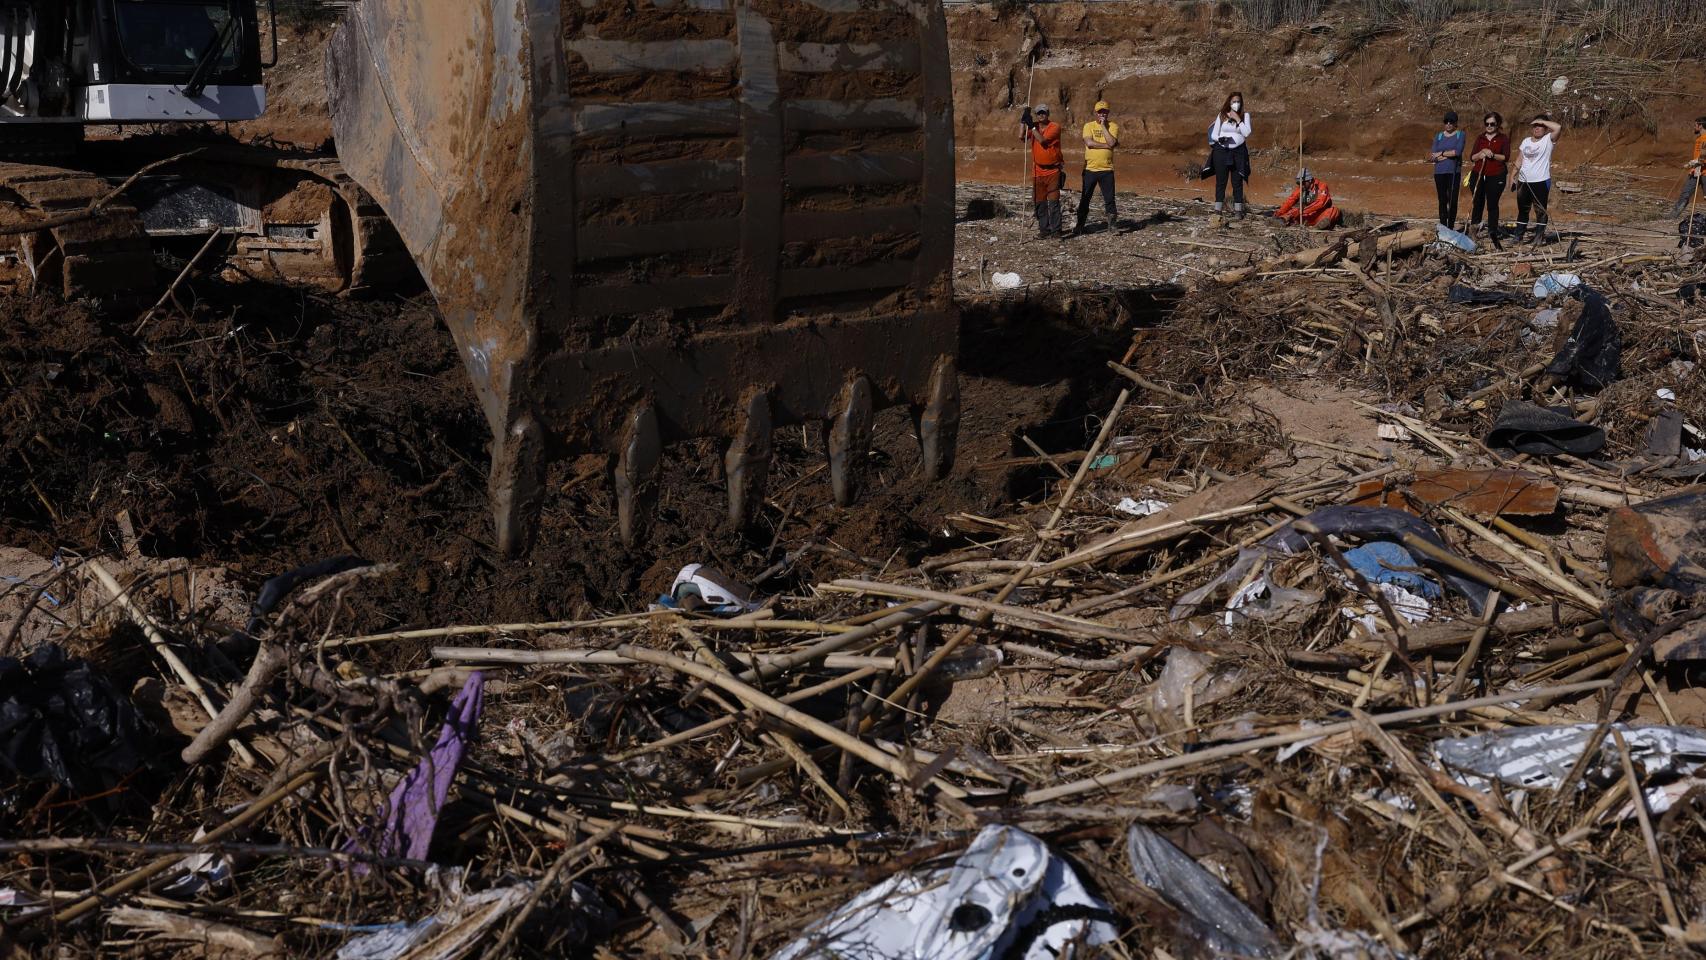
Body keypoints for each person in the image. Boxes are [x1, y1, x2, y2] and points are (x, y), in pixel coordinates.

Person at [1513, 115, 1562, 244]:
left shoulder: (1548, 139)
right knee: (1523, 210)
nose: (1537, 128)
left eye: (1540, 126)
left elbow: (1558, 127)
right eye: (1535, 126)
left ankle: (1538, 237)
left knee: (1540, 210)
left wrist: (1541, 121)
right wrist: (1513, 174)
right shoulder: (1526, 141)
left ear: (1545, 128)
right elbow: (1519, 159)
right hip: (1523, 181)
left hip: (1541, 180)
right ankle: (1518, 236)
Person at [1074, 100, 1120, 233]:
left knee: (1110, 199)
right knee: (1085, 198)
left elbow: (1112, 141)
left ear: (1108, 112)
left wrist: (1103, 127)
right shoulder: (1088, 126)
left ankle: (1112, 226)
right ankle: (1080, 225)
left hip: (1107, 170)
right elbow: (1089, 143)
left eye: (1105, 111)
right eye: (1100, 111)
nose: (1102, 114)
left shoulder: (1113, 126)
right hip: (1090, 170)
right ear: (1095, 112)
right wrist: (1107, 145)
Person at [1021, 104, 1065, 239]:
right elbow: (1021, 137)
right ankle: (1044, 230)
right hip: (1037, 171)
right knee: (1039, 202)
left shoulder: (1055, 127)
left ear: (1048, 113)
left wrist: (1032, 126)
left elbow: (1042, 140)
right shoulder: (1033, 125)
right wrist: (1022, 121)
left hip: (1053, 171)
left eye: (1043, 113)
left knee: (1053, 203)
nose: (1041, 115)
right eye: (1038, 113)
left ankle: (1056, 231)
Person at [1466, 112, 1510, 246]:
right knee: (1477, 202)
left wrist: (1492, 154)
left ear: (1497, 125)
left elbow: (1505, 157)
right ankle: (1474, 230)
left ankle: (1492, 231)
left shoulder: (1503, 138)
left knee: (1492, 203)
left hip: (1496, 174)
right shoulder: (1480, 138)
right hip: (1478, 174)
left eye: (1492, 124)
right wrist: (1481, 153)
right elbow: (1472, 157)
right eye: (1487, 124)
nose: (1489, 126)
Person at [1208, 91, 1252, 218]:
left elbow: (1246, 132)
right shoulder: (1222, 115)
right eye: (1234, 102)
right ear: (1229, 102)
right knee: (1221, 181)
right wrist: (1220, 139)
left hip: (1238, 152)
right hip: (1222, 151)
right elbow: (1213, 134)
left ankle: (1238, 210)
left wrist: (1238, 119)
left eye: (1238, 102)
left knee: (1237, 181)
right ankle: (1218, 210)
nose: (1236, 104)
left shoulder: (1245, 116)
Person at [1430, 111, 1465, 229]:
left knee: (1453, 199)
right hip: (1439, 172)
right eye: (1446, 121)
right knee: (1442, 199)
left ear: (1456, 123)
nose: (1449, 124)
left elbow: (1458, 151)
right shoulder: (1438, 136)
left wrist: (1442, 154)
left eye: (1451, 122)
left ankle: (1450, 225)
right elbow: (1434, 155)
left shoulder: (1460, 135)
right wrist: (1448, 154)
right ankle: (1443, 226)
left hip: (1453, 171)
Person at [1274, 168, 1341, 229]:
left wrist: (1302, 210)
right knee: (1291, 212)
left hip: (1319, 215)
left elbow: (1321, 203)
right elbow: (1290, 201)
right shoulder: (1300, 189)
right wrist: (1279, 213)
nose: (1301, 185)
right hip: (1305, 216)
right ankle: (1280, 221)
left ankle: (1319, 226)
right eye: (1298, 183)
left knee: (1334, 210)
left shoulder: (1321, 186)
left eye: (1303, 183)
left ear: (1309, 181)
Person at [1670, 116, 1706, 219]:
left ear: (1700, 126)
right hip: (1696, 171)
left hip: (1704, 172)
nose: (1694, 127)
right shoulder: (1699, 138)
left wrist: (1692, 163)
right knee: (1685, 193)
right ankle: (1674, 215)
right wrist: (1693, 165)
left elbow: (1703, 158)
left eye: (1695, 125)